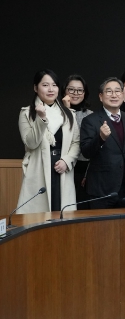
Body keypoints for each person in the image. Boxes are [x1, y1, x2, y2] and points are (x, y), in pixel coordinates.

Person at [16, 69, 80, 213]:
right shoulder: (27, 113)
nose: (51, 89)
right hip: (39, 168)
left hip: (62, 168)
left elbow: (76, 143)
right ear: (35, 88)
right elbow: (31, 143)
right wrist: (41, 119)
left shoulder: (69, 114)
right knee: (38, 216)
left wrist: (67, 161)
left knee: (62, 212)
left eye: (54, 85)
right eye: (45, 85)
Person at [80, 78, 125, 208]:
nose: (114, 95)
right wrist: (100, 138)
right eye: (109, 91)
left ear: (123, 95)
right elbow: (86, 152)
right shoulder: (90, 120)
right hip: (101, 189)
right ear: (101, 97)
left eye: (117, 91)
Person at [62, 74, 93, 208]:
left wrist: (87, 173)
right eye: (71, 89)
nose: (75, 93)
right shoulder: (57, 113)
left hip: (83, 169)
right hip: (62, 166)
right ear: (64, 90)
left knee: (81, 208)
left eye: (80, 90)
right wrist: (67, 110)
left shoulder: (90, 115)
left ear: (84, 93)